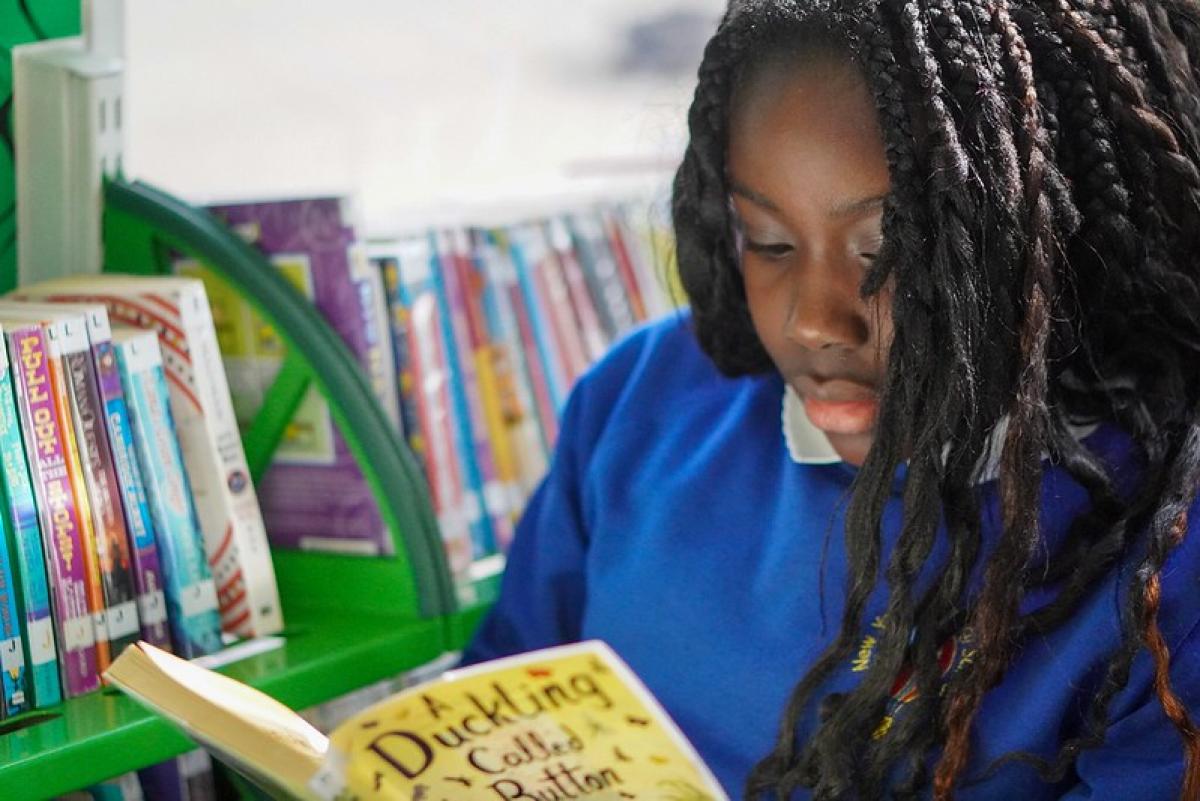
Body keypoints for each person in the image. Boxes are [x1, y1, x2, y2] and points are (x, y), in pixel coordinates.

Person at [464, 0, 1200, 798]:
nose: (815, 321)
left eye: (890, 252)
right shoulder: (643, 397)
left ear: (1060, 229)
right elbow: (493, 702)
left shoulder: (1167, 549)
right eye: (770, 242)